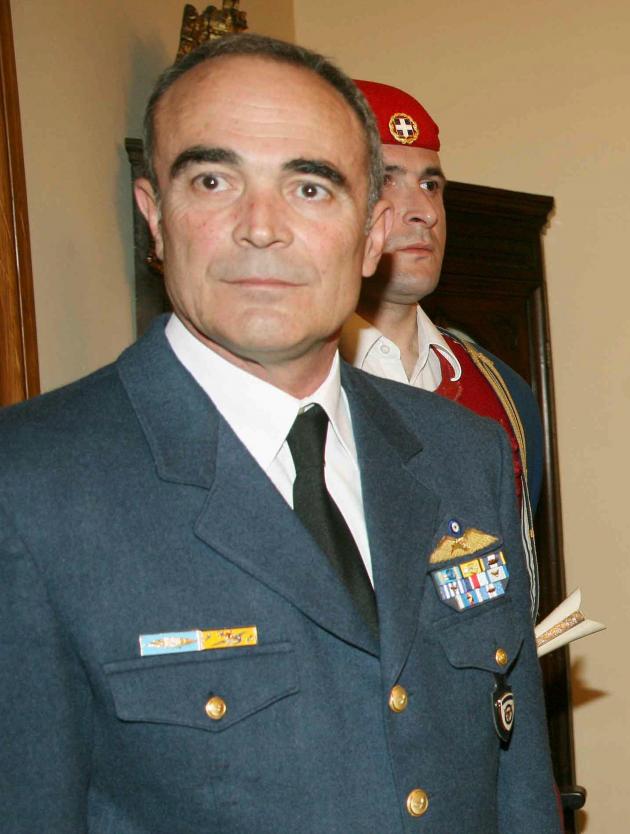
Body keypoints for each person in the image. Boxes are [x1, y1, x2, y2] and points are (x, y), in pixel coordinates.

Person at [0, 35, 560, 833]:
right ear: (154, 217)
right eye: (214, 180)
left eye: (309, 187)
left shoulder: (460, 454)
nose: (260, 227)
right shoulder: (30, 486)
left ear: (371, 235)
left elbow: (518, 784)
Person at [340, 80, 544, 619]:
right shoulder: (299, 383)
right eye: (386, 180)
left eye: (431, 185)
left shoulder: (502, 392)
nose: (423, 211)